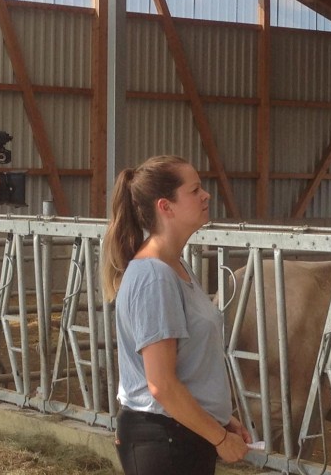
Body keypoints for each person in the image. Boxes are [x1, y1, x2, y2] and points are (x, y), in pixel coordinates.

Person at [101, 155, 251, 475]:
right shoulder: (155, 276)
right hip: (165, 437)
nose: (206, 195)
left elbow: (187, 367)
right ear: (165, 206)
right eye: (195, 190)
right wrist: (219, 437)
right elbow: (162, 384)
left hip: (180, 432)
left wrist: (218, 417)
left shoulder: (175, 267)